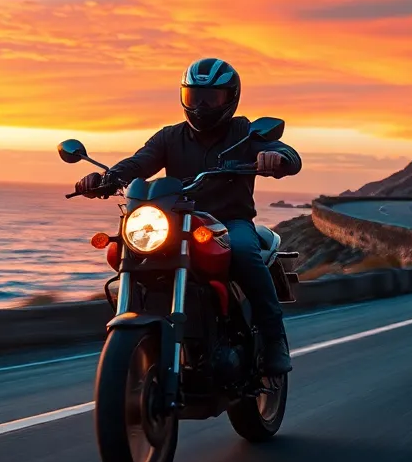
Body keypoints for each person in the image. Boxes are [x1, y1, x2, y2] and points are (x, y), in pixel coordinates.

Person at [74, 57, 300, 375]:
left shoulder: (245, 133)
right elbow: (138, 163)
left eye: (212, 97)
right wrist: (105, 178)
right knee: (127, 248)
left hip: (229, 223)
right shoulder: (170, 137)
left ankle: (275, 342)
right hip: (177, 221)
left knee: (246, 254)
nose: (202, 106)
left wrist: (277, 158)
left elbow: (290, 154)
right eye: (195, 97)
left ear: (230, 98)